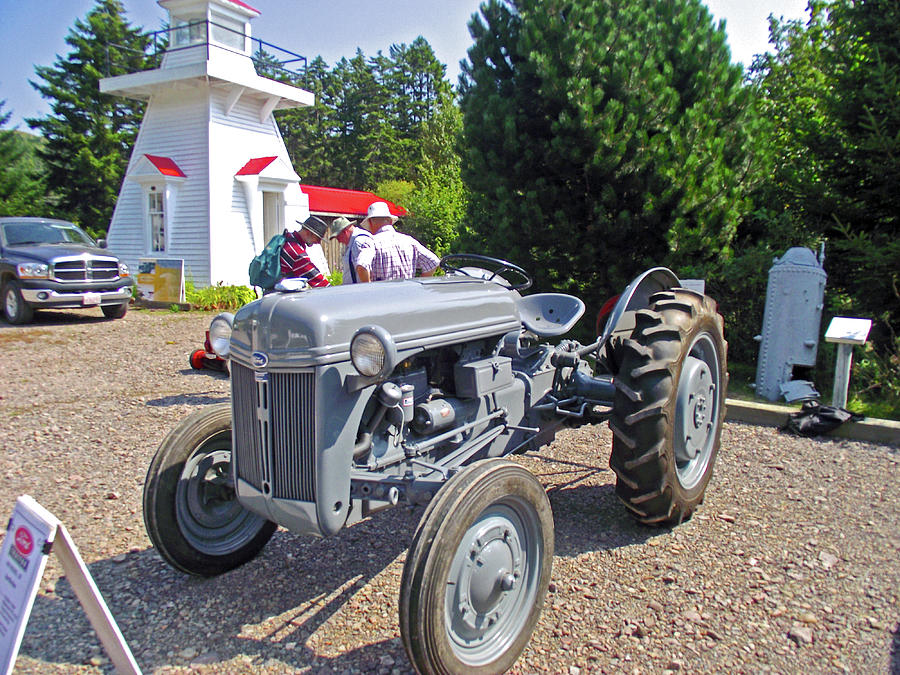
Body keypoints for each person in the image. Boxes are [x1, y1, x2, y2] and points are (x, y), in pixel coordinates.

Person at [357, 201, 440, 282]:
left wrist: (369, 287)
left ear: (370, 223)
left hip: (382, 291)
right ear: (390, 221)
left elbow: (362, 266)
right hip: (407, 290)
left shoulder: (371, 243)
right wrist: (419, 283)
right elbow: (433, 261)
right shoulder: (409, 241)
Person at [280, 215, 330, 287]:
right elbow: (317, 280)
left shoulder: (288, 238)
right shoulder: (297, 252)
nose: (318, 243)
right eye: (317, 238)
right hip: (280, 292)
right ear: (309, 233)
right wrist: (333, 291)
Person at [328, 216, 374, 284]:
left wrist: (366, 287)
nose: (339, 241)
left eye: (338, 237)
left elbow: (362, 266)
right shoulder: (353, 242)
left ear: (345, 231)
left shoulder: (359, 241)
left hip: (358, 289)